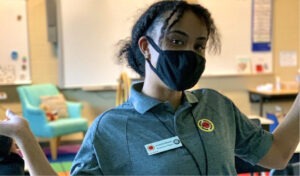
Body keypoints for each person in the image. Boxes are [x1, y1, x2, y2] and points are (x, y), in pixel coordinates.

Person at [0, 0, 299, 175]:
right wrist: (25, 136)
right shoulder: (111, 128)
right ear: (146, 47)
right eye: (176, 41)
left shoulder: (217, 106)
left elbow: (277, 155)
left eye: (199, 45)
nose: (189, 54)